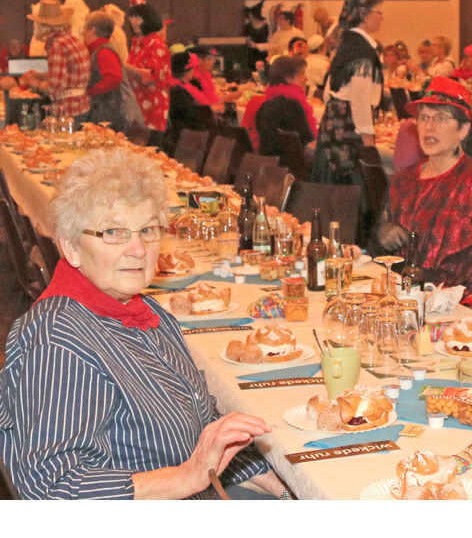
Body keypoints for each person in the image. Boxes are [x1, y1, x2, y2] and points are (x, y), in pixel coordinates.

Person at [0, 148, 287, 499]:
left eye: (147, 230)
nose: (137, 249)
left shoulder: (149, 314)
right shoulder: (58, 341)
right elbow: (53, 491)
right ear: (70, 247)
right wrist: (185, 477)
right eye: (113, 232)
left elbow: (201, 426)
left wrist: (287, 494)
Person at [376, 78, 472, 311]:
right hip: (405, 305)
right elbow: (379, 254)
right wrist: (383, 234)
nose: (429, 127)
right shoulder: (402, 182)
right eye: (424, 118)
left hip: (459, 312)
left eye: (441, 118)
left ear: (463, 129)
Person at [312, 0, 384, 185]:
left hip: (332, 127)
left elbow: (327, 94)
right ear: (364, 15)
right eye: (379, 12)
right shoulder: (363, 52)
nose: (382, 17)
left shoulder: (347, 44)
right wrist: (368, 143)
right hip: (349, 133)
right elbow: (360, 102)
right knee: (351, 192)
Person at [22, 0, 90, 121]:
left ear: (43, 25)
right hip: (81, 105)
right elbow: (67, 74)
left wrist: (34, 83)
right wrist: (41, 75)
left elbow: (55, 87)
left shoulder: (57, 46)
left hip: (67, 109)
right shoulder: (72, 40)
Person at [251, 55, 317, 157]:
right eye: (301, 74)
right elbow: (308, 143)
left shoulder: (265, 106)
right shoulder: (293, 106)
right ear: (288, 78)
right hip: (295, 164)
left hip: (271, 163)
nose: (306, 78)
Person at [125, 0, 171, 131]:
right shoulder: (136, 43)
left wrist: (124, 66)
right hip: (137, 107)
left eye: (138, 18)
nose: (133, 21)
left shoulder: (156, 44)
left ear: (148, 19)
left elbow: (151, 77)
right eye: (131, 17)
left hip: (153, 108)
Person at [82, 11, 127, 132]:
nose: (82, 33)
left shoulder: (103, 52)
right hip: (105, 113)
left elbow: (114, 78)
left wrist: (89, 92)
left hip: (106, 115)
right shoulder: (101, 50)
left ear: (92, 30)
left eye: (84, 29)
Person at [165, 52, 217, 148]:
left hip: (184, 135)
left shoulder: (175, 86)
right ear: (187, 71)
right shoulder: (178, 90)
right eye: (193, 68)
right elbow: (195, 115)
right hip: (188, 139)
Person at [243, 0, 269, 70]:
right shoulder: (248, 26)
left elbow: (269, 40)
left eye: (251, 15)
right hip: (251, 53)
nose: (250, 17)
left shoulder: (266, 26)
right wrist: (249, 42)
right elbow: (246, 39)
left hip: (262, 52)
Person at [304, 34, 330, 99]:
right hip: (318, 99)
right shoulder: (325, 65)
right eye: (325, 46)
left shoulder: (303, 62)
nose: (327, 49)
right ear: (320, 48)